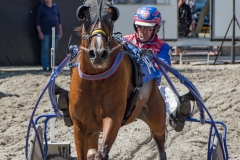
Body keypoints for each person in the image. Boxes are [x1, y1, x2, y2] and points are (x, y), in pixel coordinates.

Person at [124, 5, 192, 132]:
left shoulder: (162, 46)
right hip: (126, 89)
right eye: (140, 26)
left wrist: (144, 61)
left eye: (148, 28)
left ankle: (176, 117)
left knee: (167, 94)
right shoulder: (125, 41)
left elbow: (162, 67)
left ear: (155, 28)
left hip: (151, 91)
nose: (142, 31)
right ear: (135, 25)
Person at [36, 0, 63, 71]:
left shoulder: (55, 7)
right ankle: (45, 66)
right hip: (45, 32)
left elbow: (59, 21)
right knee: (44, 49)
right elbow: (37, 22)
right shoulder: (41, 8)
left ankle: (52, 66)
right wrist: (40, 32)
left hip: (55, 33)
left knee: (54, 49)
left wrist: (60, 31)